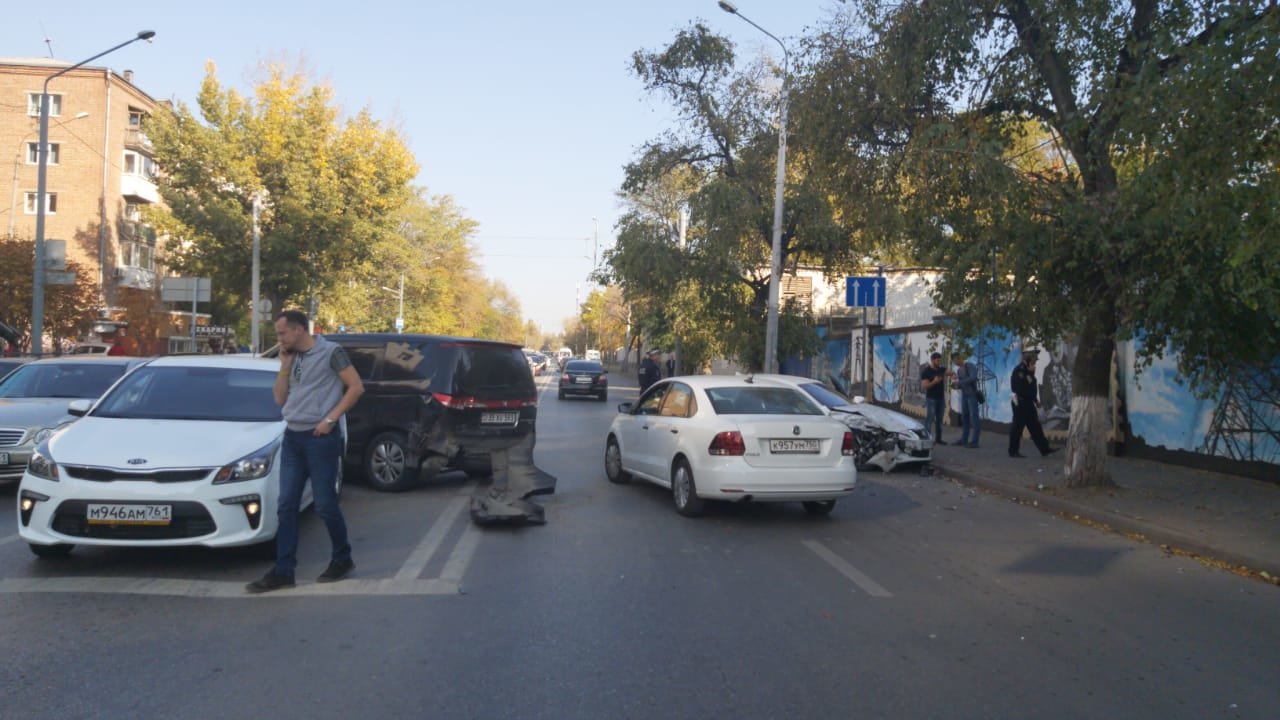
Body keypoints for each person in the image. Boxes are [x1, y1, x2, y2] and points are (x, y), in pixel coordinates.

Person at [246, 310, 364, 594]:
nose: (279, 338)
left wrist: (330, 420)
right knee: (286, 504)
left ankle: (342, 558)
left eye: (282, 333)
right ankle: (283, 571)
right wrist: (284, 366)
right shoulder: (290, 357)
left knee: (324, 503)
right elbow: (279, 398)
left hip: (320, 438)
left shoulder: (331, 352)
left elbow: (356, 387)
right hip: (293, 436)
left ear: (299, 330)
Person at [1009, 348, 1056, 458]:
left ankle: (1045, 449)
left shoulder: (1028, 371)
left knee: (1035, 427)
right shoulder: (1019, 371)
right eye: (1034, 360)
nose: (1036, 362)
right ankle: (1013, 451)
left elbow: (1031, 388)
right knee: (1017, 428)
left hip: (1029, 404)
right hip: (1021, 404)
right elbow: (1017, 389)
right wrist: (1029, 374)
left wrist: (1035, 400)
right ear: (1028, 359)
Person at [949, 352, 981, 448]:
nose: (955, 363)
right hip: (964, 395)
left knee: (974, 418)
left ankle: (975, 441)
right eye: (953, 361)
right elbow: (962, 384)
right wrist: (956, 385)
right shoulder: (959, 371)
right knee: (965, 418)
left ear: (959, 358)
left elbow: (973, 378)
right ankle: (964, 439)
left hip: (972, 395)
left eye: (955, 360)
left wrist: (960, 382)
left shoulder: (970, 366)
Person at [920, 352, 947, 444]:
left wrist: (953, 375)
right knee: (929, 419)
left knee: (939, 420)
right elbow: (925, 386)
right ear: (932, 360)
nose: (939, 362)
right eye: (937, 360)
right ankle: (927, 439)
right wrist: (934, 382)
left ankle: (939, 439)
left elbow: (949, 372)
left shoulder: (941, 369)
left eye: (940, 360)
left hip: (941, 399)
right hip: (931, 399)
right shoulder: (926, 372)